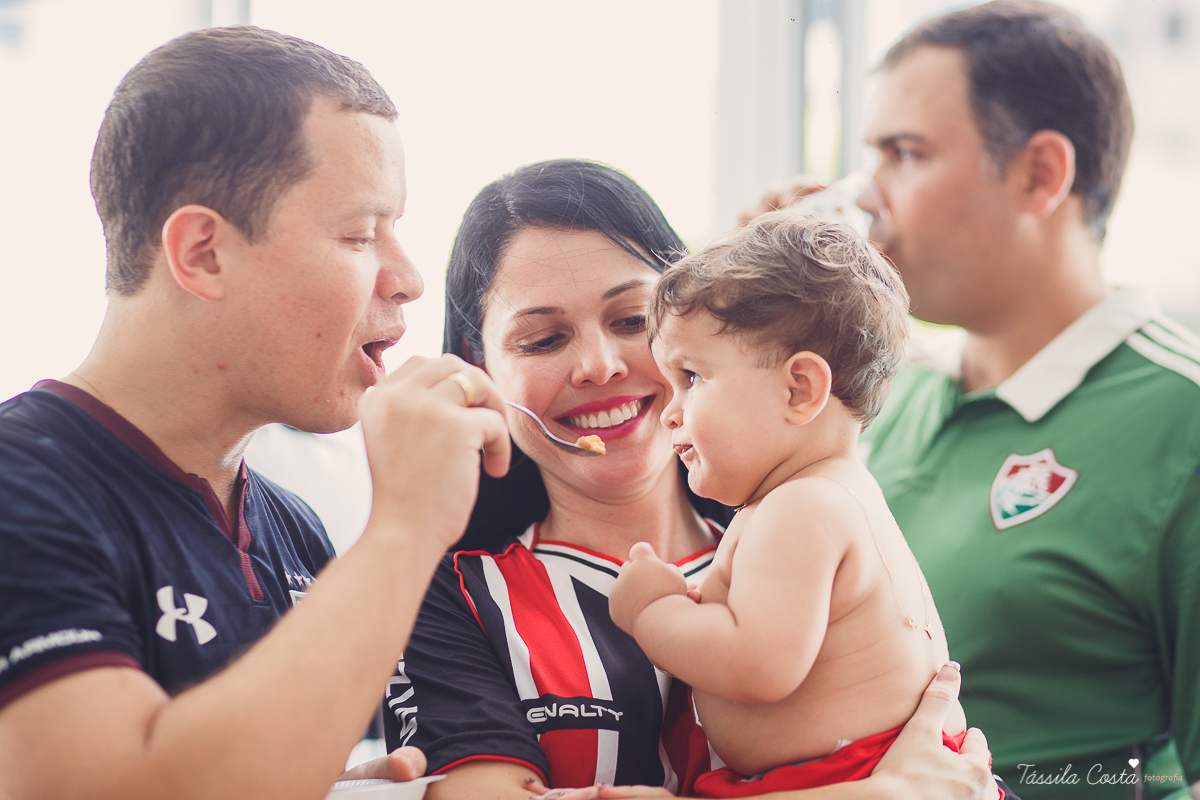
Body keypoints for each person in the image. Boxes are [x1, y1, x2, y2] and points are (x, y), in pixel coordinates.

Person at [383, 158, 1003, 800]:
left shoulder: (806, 525)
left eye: (633, 321)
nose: (600, 365)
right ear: (478, 367)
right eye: (543, 340)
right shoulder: (452, 597)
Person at [0, 26, 513, 800]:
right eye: (361, 234)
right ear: (202, 253)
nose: (409, 278)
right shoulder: (19, 485)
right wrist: (406, 526)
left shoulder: (294, 528)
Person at [743, 2, 1200, 798]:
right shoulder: (875, 395)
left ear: (1040, 175)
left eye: (905, 154)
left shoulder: (1180, 423)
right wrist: (751, 323)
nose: (867, 196)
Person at [607, 212, 988, 798]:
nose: (670, 411)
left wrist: (651, 613)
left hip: (853, 778)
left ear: (800, 389)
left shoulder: (799, 508)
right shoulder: (842, 495)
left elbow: (757, 665)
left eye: (692, 377)